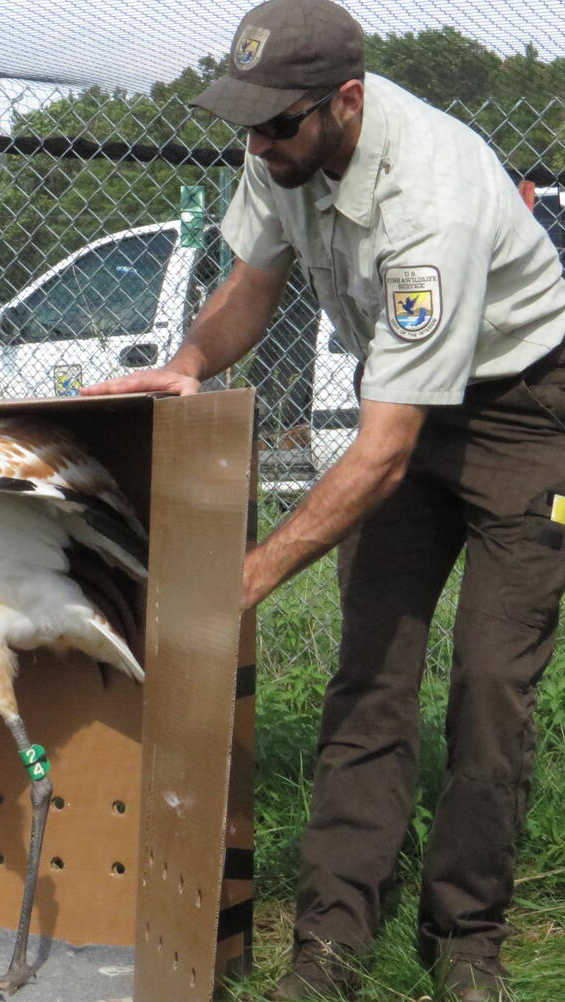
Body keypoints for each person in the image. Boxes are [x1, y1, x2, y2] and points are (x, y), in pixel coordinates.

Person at [83, 1, 565, 999]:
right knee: (369, 678)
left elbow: (380, 456)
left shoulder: (428, 198)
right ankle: (331, 943)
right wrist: (186, 363)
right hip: (404, 400)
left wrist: (246, 578)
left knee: (488, 686)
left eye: (278, 124)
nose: (257, 144)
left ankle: (464, 940)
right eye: (246, 124)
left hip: (528, 417)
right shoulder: (283, 150)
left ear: (345, 102)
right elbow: (252, 282)